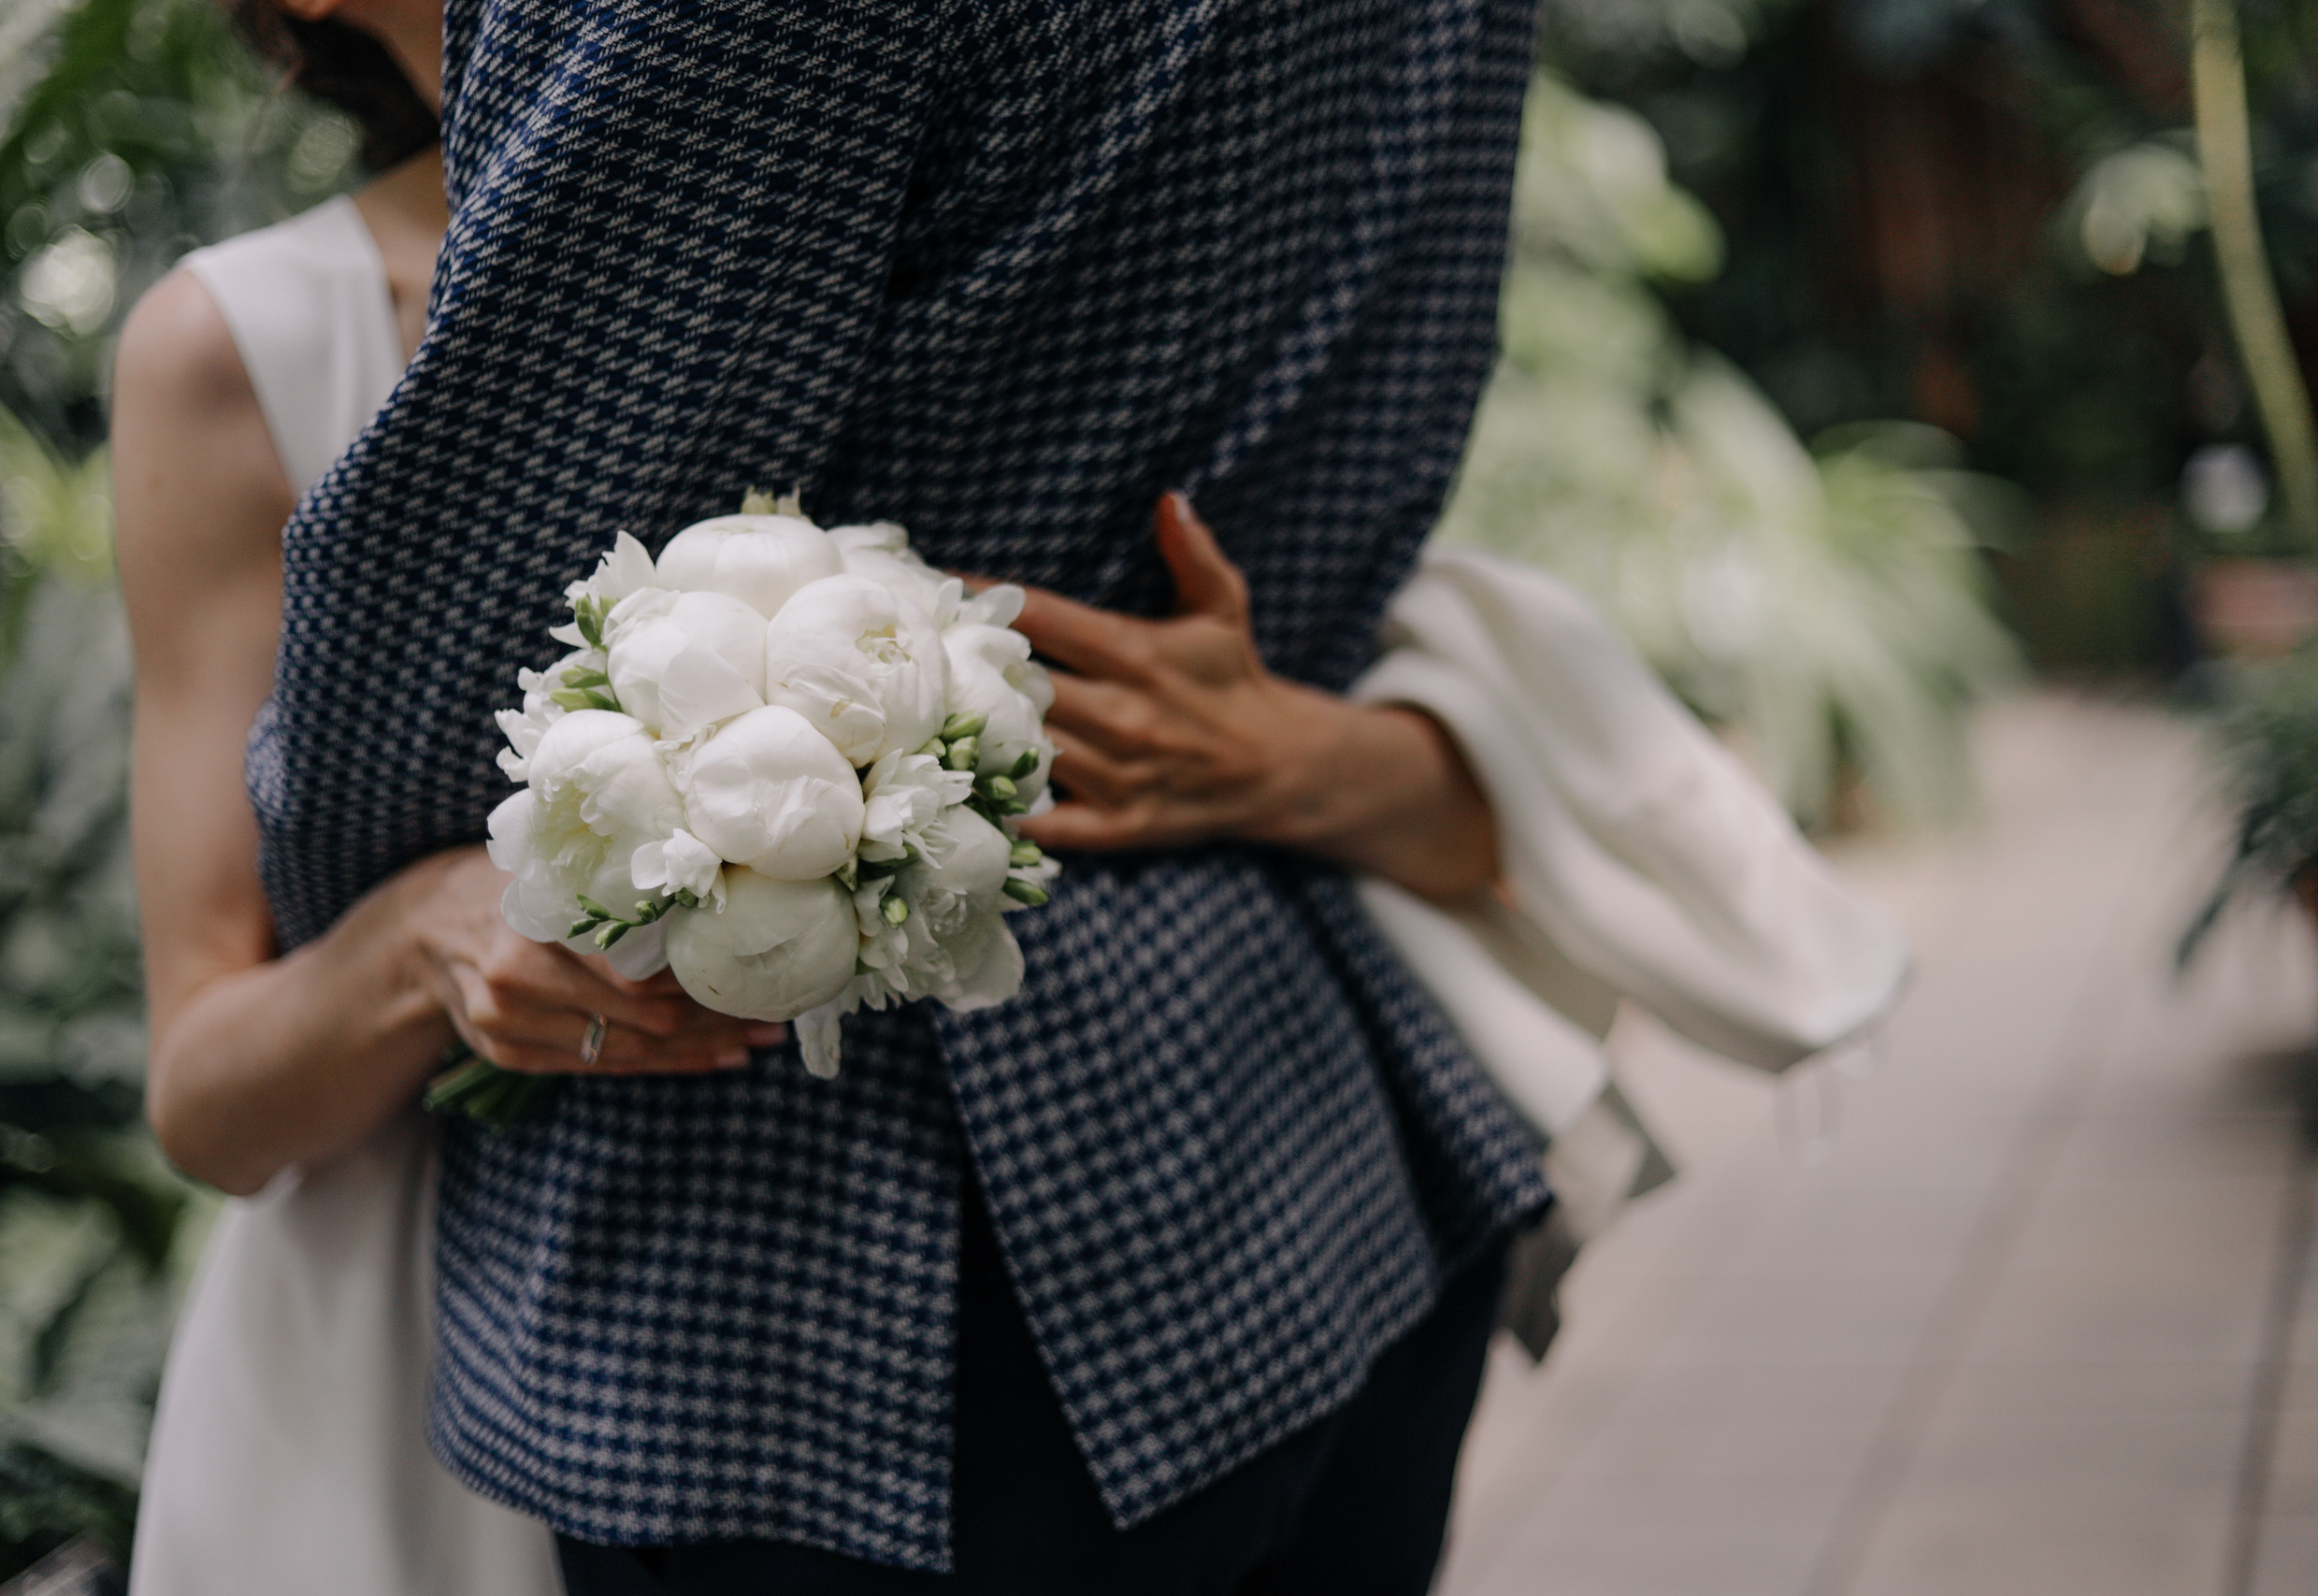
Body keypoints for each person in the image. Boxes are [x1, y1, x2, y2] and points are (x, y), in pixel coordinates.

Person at [122, 0, 1554, 1591]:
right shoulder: (233, 350)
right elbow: (206, 1086)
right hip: (670, 1347)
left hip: (1262, 1199)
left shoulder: (1031, 190)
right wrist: (417, 943)